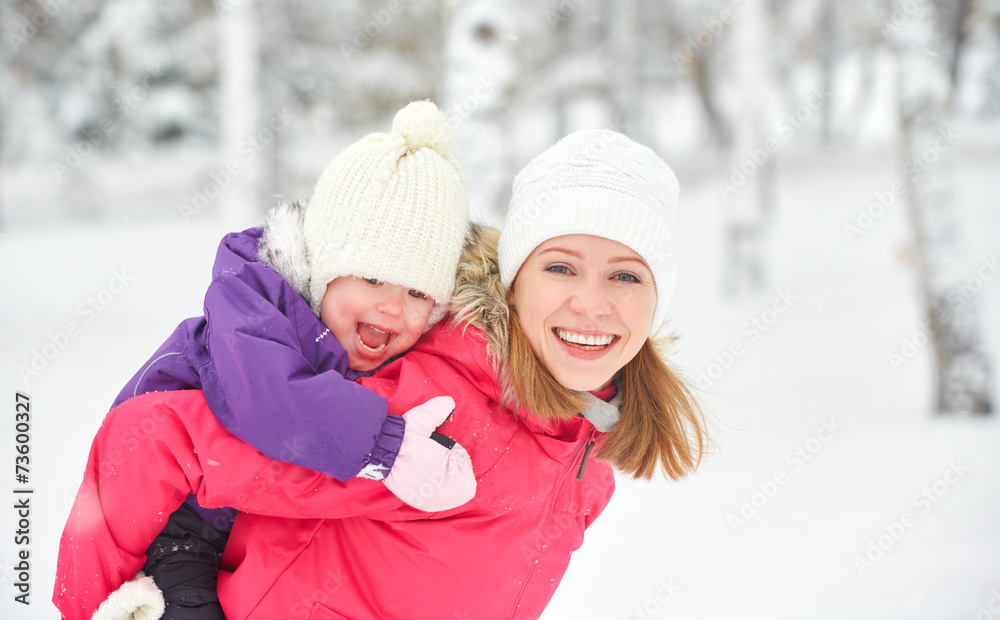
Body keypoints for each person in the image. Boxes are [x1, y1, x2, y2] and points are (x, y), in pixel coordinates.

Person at [54, 128, 708, 620]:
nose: (592, 302)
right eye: (561, 267)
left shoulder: (586, 446)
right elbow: (149, 438)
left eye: (627, 275)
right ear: (511, 284)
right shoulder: (435, 414)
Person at [59, 100, 476, 619]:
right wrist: (385, 445)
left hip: (245, 523)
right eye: (371, 278)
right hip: (179, 522)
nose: (392, 305)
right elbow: (275, 405)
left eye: (418, 292)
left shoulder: (375, 340)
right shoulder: (254, 305)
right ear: (324, 267)